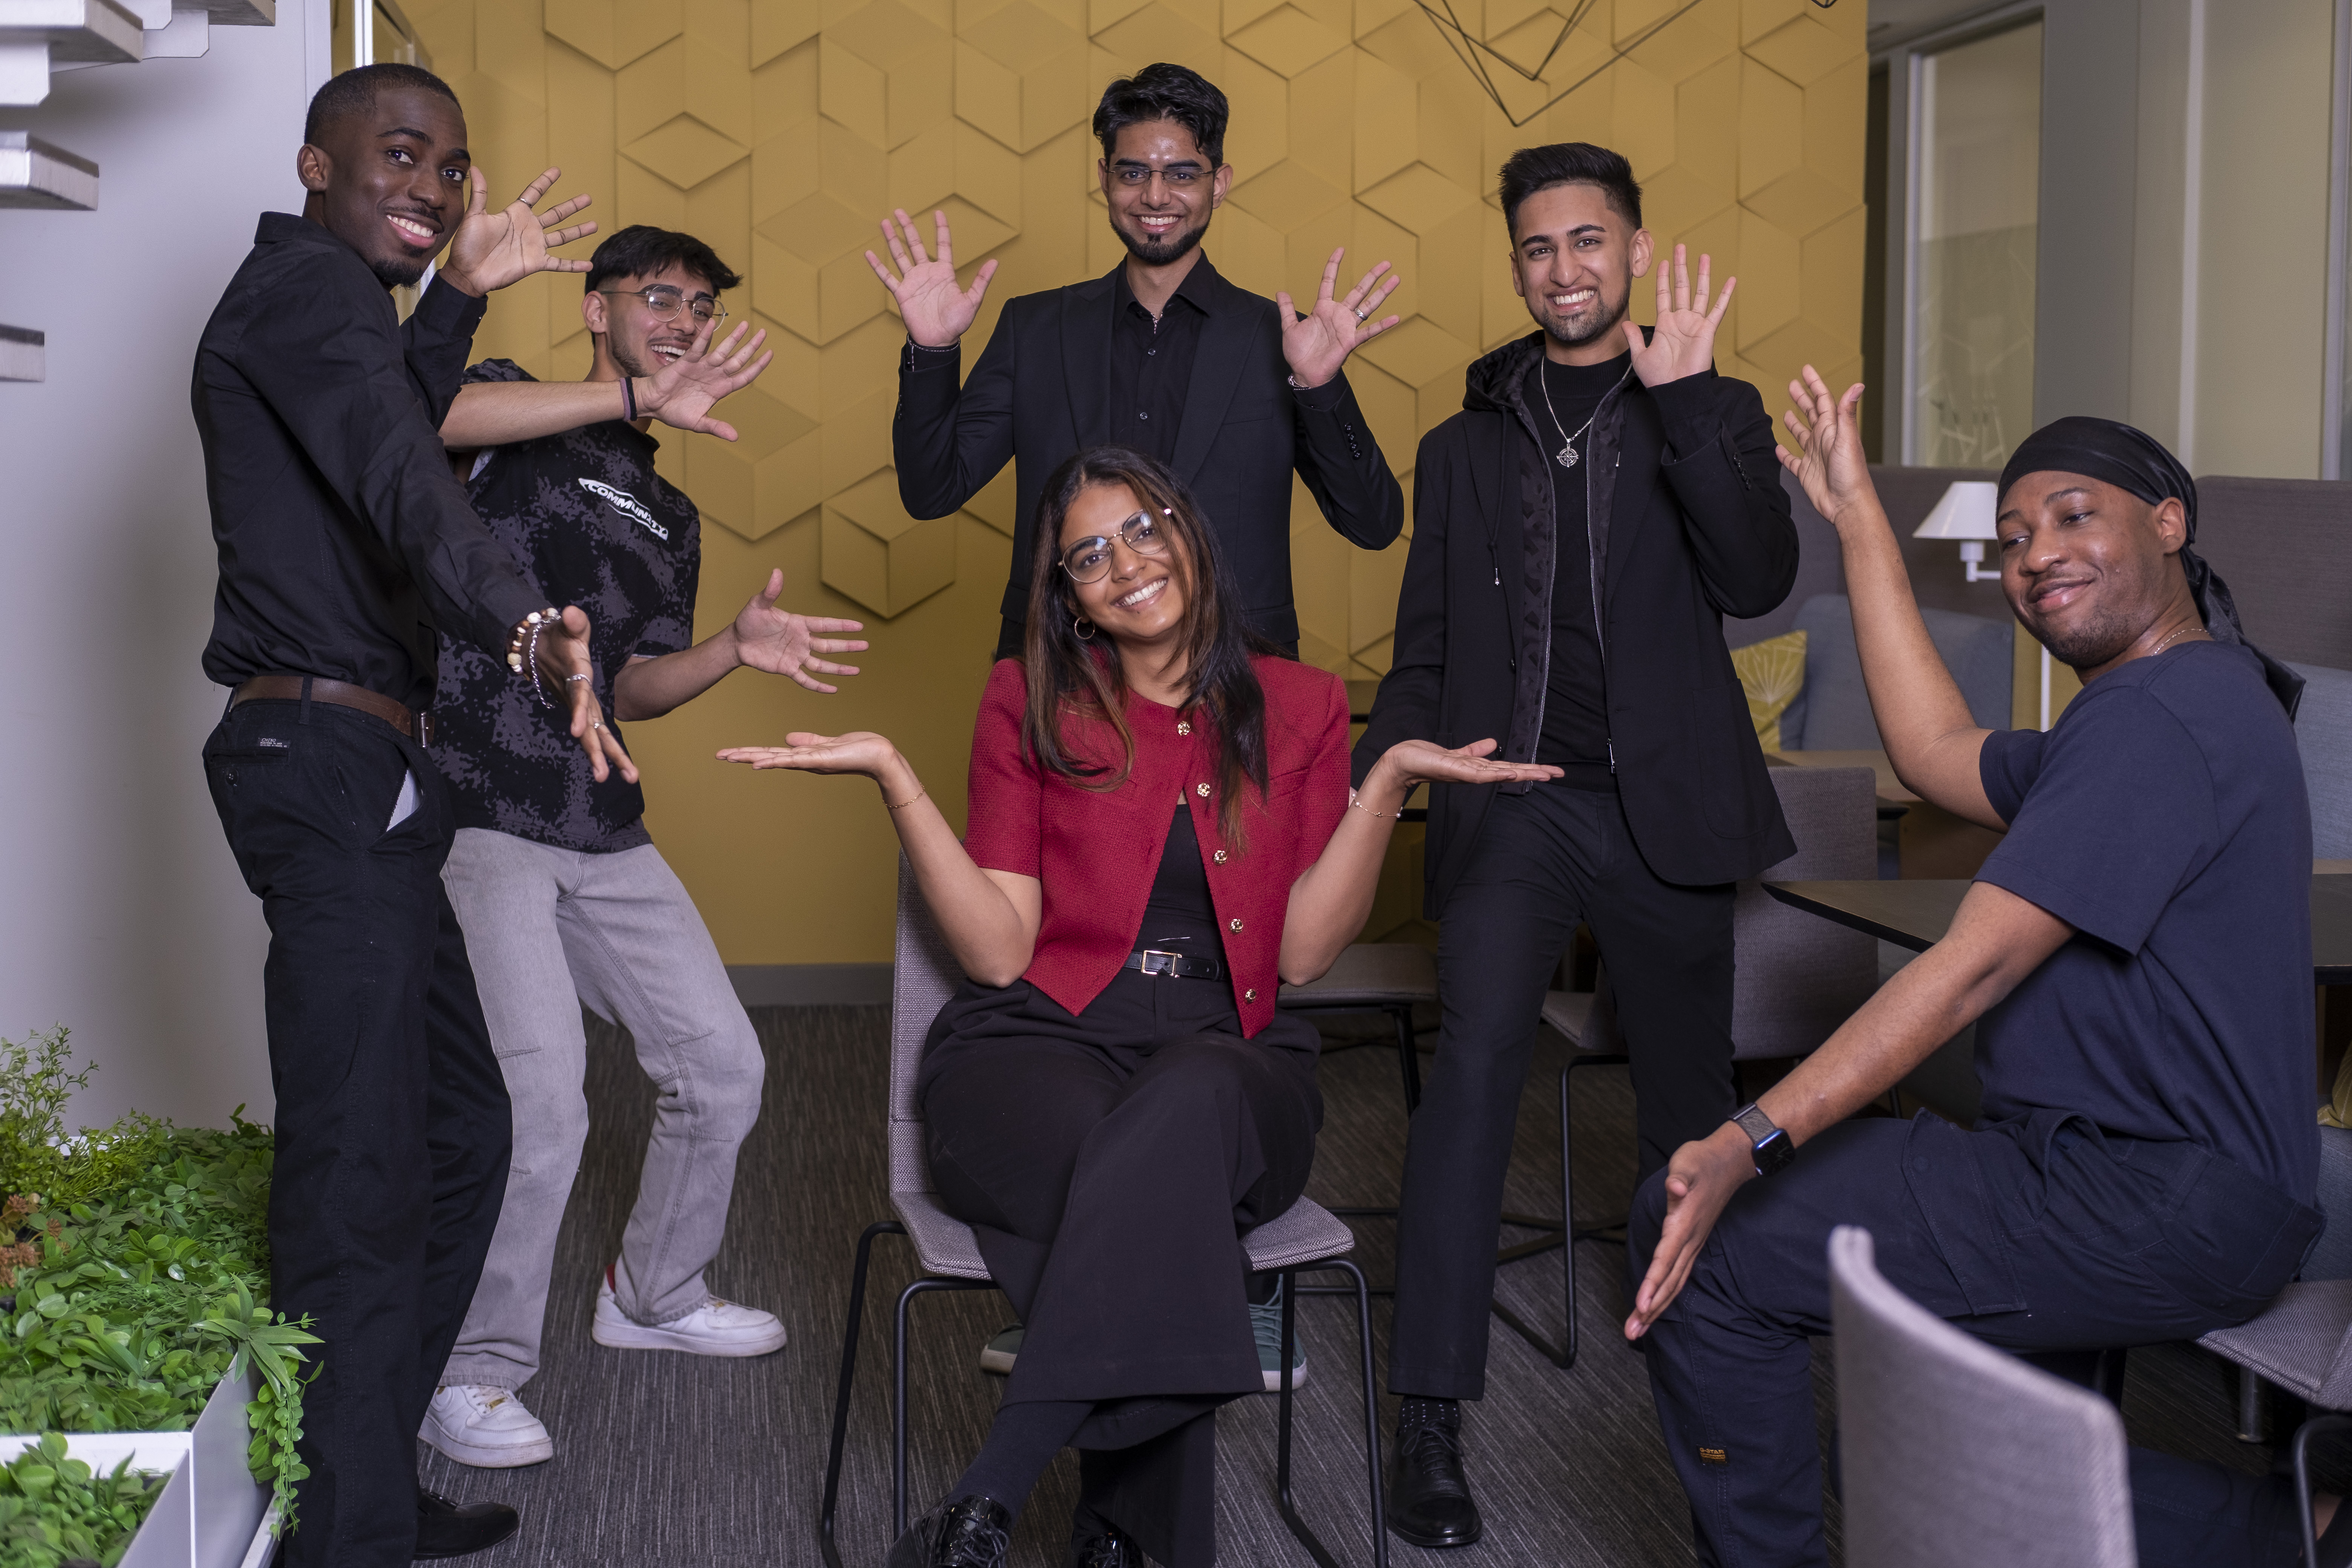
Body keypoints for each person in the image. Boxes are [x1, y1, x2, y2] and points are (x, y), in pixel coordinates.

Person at [717, 446, 1555, 1568]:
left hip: (1231, 1053)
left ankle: (988, 1500)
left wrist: (1385, 783)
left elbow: (1303, 954)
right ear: (1068, 597)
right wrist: (898, 784)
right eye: (1089, 556)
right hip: (1032, 1046)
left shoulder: (1302, 706)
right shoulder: (1028, 697)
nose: (1127, 563)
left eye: (1146, 527)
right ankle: (1119, 1544)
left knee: (1183, 1117)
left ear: (1192, 534)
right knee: (1161, 1207)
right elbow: (999, 949)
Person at [1624, 374, 2326, 1568]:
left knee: (1701, 1244)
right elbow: (1937, 750)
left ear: (2170, 523)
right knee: (1906, 1447)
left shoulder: (2156, 718)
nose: (2036, 556)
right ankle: (2300, 1529)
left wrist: (1745, 1140)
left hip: (2141, 1197)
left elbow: (1968, 972)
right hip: (2179, 1189)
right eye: (2012, 541)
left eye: (2071, 516)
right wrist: (1855, 518)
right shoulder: (2184, 705)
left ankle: (2285, 1532)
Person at [194, 62, 624, 1567]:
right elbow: (400, 477)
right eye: (401, 153)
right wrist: (520, 622)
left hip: (363, 772)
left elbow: (380, 418)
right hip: (317, 757)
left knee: (459, 1126)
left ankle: (363, 1479)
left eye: (452, 164)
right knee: (362, 1162)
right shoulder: (303, 293)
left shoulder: (341, 319)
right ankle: (346, 1534)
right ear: (317, 164)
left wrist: (448, 304)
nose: (434, 183)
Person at [1349, 141, 1798, 1548]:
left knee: (1687, 1110)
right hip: (1516, 800)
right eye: (1540, 248)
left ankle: (1706, 1368)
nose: (1565, 269)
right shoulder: (1465, 441)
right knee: (1474, 1069)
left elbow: (1760, 579)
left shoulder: (1709, 404)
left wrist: (1681, 413)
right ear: (1519, 263)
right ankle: (1431, 1413)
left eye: (1590, 242)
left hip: (1664, 810)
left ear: (1637, 250)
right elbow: (1424, 650)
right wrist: (1393, 780)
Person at [409, 225, 867, 1470]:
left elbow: (639, 684)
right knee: (539, 1101)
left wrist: (731, 651)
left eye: (701, 310)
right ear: (598, 310)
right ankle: (472, 1369)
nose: (681, 321)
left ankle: (653, 1295)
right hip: (484, 811)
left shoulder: (666, 510)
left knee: (722, 1065)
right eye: (656, 297)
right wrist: (623, 396)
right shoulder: (506, 405)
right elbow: (422, 418)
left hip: (602, 824)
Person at [869, 61, 1406, 660]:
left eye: (1181, 173)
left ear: (1219, 183)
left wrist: (1320, 388)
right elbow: (931, 491)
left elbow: (1375, 525)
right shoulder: (1035, 329)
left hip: (1233, 677)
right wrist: (934, 351)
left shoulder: (1281, 341)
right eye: (1133, 172)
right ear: (1104, 179)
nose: (1155, 196)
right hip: (1062, 674)